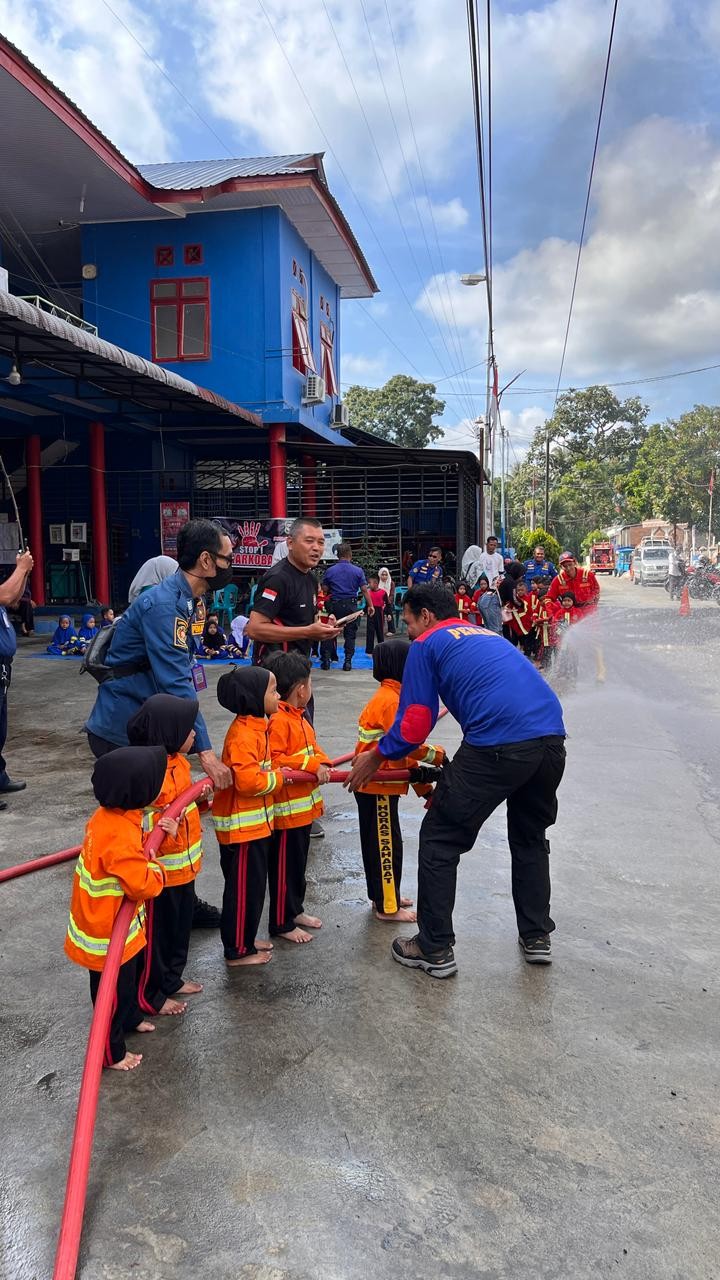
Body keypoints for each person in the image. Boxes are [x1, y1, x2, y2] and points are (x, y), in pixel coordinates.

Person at [345, 584, 566, 978]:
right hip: (550, 743)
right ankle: (536, 937)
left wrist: (376, 756)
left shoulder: (427, 644)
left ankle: (433, 947)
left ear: (426, 616)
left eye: (409, 621)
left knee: (439, 839)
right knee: (530, 838)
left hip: (496, 747)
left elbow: (414, 724)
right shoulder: (484, 633)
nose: (408, 631)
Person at [85, 520, 236, 928]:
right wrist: (206, 751)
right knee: (141, 834)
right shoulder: (165, 605)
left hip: (151, 730)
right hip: (123, 734)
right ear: (206, 561)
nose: (230, 565)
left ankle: (178, 904)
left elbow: (184, 668)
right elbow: (176, 685)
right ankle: (142, 922)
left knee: (171, 820)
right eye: (226, 558)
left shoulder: (189, 601)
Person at [64, 746, 169, 1071]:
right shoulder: (118, 833)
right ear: (138, 792)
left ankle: (130, 1017)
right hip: (106, 934)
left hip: (116, 925)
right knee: (109, 992)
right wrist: (157, 871)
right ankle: (111, 1052)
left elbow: (129, 862)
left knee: (127, 980)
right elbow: (141, 883)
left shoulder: (113, 817)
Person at [244, 516, 340, 838]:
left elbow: (303, 620)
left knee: (303, 740)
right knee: (278, 744)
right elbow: (254, 627)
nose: (316, 547)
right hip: (276, 680)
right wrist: (307, 630)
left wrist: (321, 626)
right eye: (309, 541)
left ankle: (301, 809)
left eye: (320, 542)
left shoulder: (311, 579)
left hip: (300, 673)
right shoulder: (277, 578)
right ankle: (278, 809)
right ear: (290, 542)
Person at [354, 639, 445, 924]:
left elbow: (400, 755)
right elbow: (407, 745)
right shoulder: (391, 701)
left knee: (381, 844)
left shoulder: (391, 696)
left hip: (381, 784)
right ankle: (387, 906)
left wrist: (424, 788)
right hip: (378, 785)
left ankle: (384, 893)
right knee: (385, 845)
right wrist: (438, 756)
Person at [127, 695, 208, 1016]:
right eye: (189, 729)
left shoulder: (181, 763)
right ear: (169, 731)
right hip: (159, 872)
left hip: (185, 869)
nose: (195, 735)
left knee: (179, 928)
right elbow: (137, 822)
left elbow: (184, 805)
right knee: (156, 938)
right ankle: (150, 996)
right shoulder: (151, 771)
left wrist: (201, 801)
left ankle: (171, 978)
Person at [212, 666, 286, 966]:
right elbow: (247, 782)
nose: (278, 695)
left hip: (255, 827)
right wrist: (279, 779)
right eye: (273, 690)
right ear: (255, 697)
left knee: (254, 889)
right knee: (242, 891)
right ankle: (237, 950)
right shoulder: (244, 734)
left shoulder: (258, 726)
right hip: (242, 831)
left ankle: (246, 936)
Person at [264, 651, 330, 943]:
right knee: (284, 869)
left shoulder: (300, 718)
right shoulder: (278, 720)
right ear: (301, 689)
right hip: (286, 813)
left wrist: (322, 762)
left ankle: (295, 909)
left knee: (298, 866)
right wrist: (310, 766)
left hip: (302, 812)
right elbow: (275, 760)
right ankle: (281, 921)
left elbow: (313, 750)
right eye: (310, 683)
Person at [0, 548, 33, 808]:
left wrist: (25, 572)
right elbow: (6, 594)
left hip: (3, 666)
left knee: (1, 727)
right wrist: (21, 568)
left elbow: (13, 599)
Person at [319, 542, 374, 671]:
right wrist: (370, 605)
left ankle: (326, 661)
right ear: (350, 554)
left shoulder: (330, 570)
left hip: (334, 605)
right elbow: (365, 590)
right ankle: (348, 662)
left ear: (338, 555)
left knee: (329, 632)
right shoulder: (358, 571)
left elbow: (325, 589)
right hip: (351, 605)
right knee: (350, 634)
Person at [364, 573, 387, 655]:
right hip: (370, 612)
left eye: (370, 583)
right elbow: (367, 604)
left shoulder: (383, 593)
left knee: (379, 631)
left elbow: (387, 604)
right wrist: (363, 612)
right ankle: (369, 650)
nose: (369, 584)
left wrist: (388, 614)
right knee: (370, 632)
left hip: (379, 612)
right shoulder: (368, 593)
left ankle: (382, 649)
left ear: (376, 583)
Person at [378, 567, 395, 632]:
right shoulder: (377, 583)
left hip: (388, 601)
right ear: (380, 575)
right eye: (382, 575)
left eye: (386, 575)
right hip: (379, 601)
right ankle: (380, 629)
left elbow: (392, 594)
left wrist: (387, 601)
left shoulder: (391, 583)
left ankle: (391, 630)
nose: (384, 577)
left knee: (389, 610)